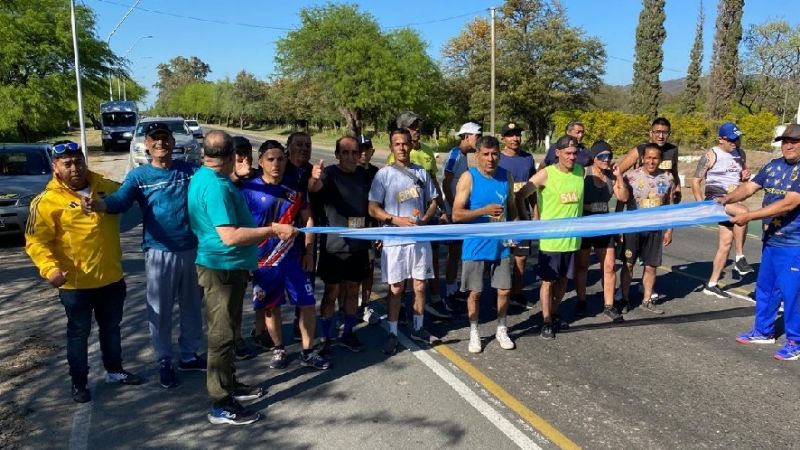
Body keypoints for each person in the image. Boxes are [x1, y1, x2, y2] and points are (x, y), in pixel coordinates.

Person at [83, 123, 205, 389]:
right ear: (147, 146)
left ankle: (189, 355)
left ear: (173, 143)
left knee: (192, 306)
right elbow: (121, 201)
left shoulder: (190, 171)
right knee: (159, 310)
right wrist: (100, 205)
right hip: (159, 252)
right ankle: (164, 360)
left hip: (191, 250)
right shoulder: (139, 176)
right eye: (154, 140)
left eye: (164, 139)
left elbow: (213, 182)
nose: (160, 144)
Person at [187, 130, 297, 425]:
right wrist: (274, 229)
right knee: (222, 336)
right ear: (230, 157)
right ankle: (220, 403)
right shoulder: (216, 187)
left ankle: (229, 384)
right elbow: (231, 235)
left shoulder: (206, 177)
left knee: (230, 331)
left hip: (228, 267)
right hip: (221, 268)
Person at [26, 141, 142, 404]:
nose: (74, 168)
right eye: (67, 164)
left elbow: (132, 198)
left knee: (111, 329)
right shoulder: (45, 202)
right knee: (78, 335)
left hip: (112, 279)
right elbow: (35, 242)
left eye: (78, 161)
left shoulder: (107, 188)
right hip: (75, 285)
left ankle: (115, 370)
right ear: (55, 168)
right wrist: (49, 269)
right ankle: (79, 383)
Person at [239, 139, 329, 371]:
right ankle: (279, 348)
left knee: (308, 304)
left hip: (294, 259)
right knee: (270, 307)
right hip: (264, 262)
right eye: (270, 159)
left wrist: (309, 251)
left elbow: (308, 219)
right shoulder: (249, 190)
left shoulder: (294, 189)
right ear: (261, 162)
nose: (276, 164)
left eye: (280, 159)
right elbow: (240, 227)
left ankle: (308, 351)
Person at [720, 123, 800, 361]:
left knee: (792, 293)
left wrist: (749, 216)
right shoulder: (774, 166)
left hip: (795, 244)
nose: (789, 146)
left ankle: (795, 341)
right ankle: (763, 331)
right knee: (765, 289)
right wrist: (726, 198)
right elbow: (748, 188)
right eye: (785, 142)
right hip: (772, 241)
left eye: (794, 142)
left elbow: (790, 203)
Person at [369, 129, 441, 355]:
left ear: (411, 145)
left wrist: (426, 219)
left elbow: (433, 201)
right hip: (394, 240)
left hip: (419, 239)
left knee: (420, 285)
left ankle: (419, 328)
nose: (401, 148)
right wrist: (395, 220)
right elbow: (373, 208)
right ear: (391, 147)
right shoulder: (384, 175)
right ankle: (392, 332)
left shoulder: (421, 172)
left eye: (405, 144)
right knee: (396, 288)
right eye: (397, 144)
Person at [452, 136, 517, 353]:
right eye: (486, 154)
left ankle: (501, 328)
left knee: (505, 290)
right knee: (475, 292)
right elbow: (456, 215)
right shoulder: (468, 178)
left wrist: (515, 232)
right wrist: (483, 211)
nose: (491, 159)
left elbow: (513, 210)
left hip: (501, 244)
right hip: (476, 244)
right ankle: (474, 331)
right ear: (477, 155)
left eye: (495, 154)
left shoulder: (506, 176)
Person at [517, 135, 585, 339]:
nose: (572, 157)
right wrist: (526, 218)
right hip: (551, 240)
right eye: (568, 153)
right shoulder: (545, 175)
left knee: (563, 280)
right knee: (548, 281)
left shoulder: (580, 172)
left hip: (573, 239)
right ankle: (545, 320)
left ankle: (553, 313)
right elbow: (521, 194)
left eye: (575, 153)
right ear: (558, 153)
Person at [388, 112, 450, 318]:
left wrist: (443, 210)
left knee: (431, 257)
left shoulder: (427, 151)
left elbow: (433, 183)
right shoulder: (396, 156)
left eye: (417, 126)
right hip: (406, 219)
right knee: (405, 263)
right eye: (412, 127)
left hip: (427, 215)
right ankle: (405, 306)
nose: (417, 130)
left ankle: (433, 299)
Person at [316, 136, 373, 354]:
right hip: (334, 246)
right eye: (345, 153)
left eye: (354, 152)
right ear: (338, 155)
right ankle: (327, 337)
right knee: (331, 291)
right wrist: (314, 180)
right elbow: (315, 188)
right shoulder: (329, 174)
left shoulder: (364, 176)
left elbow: (373, 205)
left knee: (352, 290)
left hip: (359, 245)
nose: (350, 157)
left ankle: (348, 333)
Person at [692, 122, 754, 298]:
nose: (736, 142)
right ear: (721, 139)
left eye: (738, 138)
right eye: (732, 139)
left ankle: (711, 284)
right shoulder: (711, 155)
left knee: (725, 243)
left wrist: (745, 175)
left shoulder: (740, 154)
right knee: (744, 212)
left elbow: (741, 176)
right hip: (716, 198)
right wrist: (700, 204)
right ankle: (740, 258)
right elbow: (696, 180)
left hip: (733, 197)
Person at [616, 143, 676, 315]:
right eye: (648, 157)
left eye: (655, 158)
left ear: (660, 160)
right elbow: (621, 203)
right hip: (632, 228)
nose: (651, 161)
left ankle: (647, 300)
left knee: (651, 266)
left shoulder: (667, 179)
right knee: (628, 264)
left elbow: (669, 206)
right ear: (642, 158)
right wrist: (619, 228)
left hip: (654, 229)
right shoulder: (630, 177)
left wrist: (669, 229)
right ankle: (625, 299)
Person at [573, 141, 625, 323]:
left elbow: (623, 197)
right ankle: (581, 301)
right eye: (602, 156)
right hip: (585, 225)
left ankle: (609, 305)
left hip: (605, 226)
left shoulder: (611, 176)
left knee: (609, 266)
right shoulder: (582, 173)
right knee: (582, 265)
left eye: (609, 156)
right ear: (594, 157)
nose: (606, 159)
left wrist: (619, 177)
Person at [442, 122, 482, 309]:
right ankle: (449, 290)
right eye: (477, 136)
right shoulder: (455, 154)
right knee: (454, 252)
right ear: (466, 136)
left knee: (458, 251)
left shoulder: (465, 156)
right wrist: (451, 210)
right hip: (453, 212)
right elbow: (446, 182)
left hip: (458, 211)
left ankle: (453, 287)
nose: (478, 140)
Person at [497, 121, 537, 308]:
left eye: (518, 134)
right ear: (503, 138)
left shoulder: (528, 158)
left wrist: (536, 212)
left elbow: (533, 188)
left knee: (521, 257)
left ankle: (517, 293)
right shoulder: (498, 159)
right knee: (501, 257)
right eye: (511, 135)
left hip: (523, 215)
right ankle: (498, 294)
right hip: (502, 216)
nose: (515, 138)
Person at [617, 117, 682, 205]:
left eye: (665, 133)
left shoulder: (672, 150)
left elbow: (674, 172)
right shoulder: (640, 149)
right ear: (651, 133)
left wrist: (678, 188)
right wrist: (621, 191)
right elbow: (619, 171)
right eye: (657, 132)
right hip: (640, 201)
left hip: (662, 198)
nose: (661, 136)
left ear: (669, 134)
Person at [357, 135, 381, 325]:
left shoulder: (376, 173)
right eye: (360, 149)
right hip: (352, 224)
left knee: (369, 266)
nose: (364, 153)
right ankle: (347, 304)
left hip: (372, 225)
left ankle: (365, 303)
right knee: (350, 268)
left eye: (367, 149)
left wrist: (381, 231)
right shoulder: (349, 171)